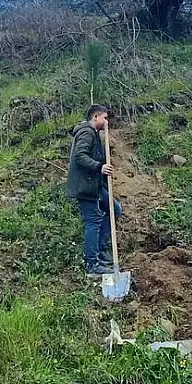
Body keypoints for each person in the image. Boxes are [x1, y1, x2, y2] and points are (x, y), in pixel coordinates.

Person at [65, 104, 121, 277]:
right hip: (85, 187)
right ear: (95, 117)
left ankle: (102, 250)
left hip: (94, 186)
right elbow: (80, 156)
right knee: (93, 221)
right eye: (104, 118)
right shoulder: (86, 132)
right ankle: (93, 264)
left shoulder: (95, 135)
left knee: (115, 209)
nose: (106, 121)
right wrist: (100, 167)